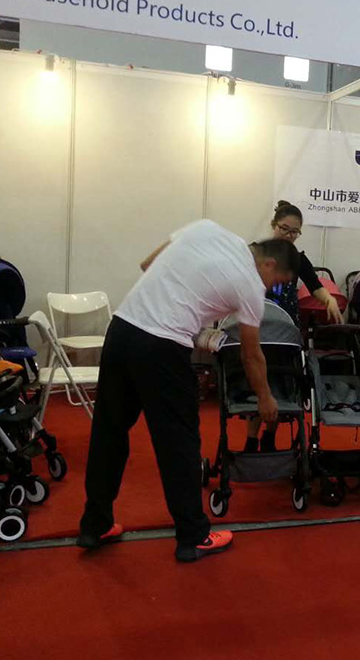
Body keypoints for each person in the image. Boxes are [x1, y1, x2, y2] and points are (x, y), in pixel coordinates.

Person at [77, 220, 300, 562]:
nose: (272, 288)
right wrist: (266, 397)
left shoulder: (206, 229)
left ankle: (95, 525)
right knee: (178, 442)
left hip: (122, 330)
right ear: (269, 265)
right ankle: (193, 536)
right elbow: (251, 354)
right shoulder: (251, 286)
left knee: (109, 431)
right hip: (163, 347)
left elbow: (147, 264)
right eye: (278, 281)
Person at [243, 200, 343, 453]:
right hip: (258, 328)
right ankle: (251, 440)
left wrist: (329, 300)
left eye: (294, 232)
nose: (288, 236)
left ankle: (269, 437)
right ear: (273, 225)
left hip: (287, 332)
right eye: (284, 229)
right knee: (259, 383)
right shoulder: (255, 252)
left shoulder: (298, 259)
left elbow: (315, 286)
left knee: (283, 384)